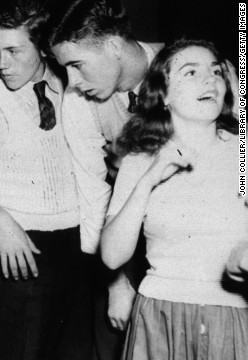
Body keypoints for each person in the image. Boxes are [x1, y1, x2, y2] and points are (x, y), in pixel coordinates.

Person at [0, 1, 93, 359]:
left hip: (78, 252)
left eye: (14, 50)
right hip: (17, 250)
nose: (2, 63)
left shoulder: (75, 87)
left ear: (44, 47)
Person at [100, 39, 247, 359]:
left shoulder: (242, 154)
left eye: (216, 72)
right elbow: (111, 257)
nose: (209, 79)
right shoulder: (139, 161)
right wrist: (151, 178)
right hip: (158, 318)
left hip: (232, 317)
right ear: (162, 94)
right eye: (190, 72)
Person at [45, 1, 163, 358]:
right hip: (121, 236)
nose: (73, 82)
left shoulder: (187, 67)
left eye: (77, 65)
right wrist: (117, 283)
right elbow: (94, 195)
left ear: (112, 45)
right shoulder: (78, 100)